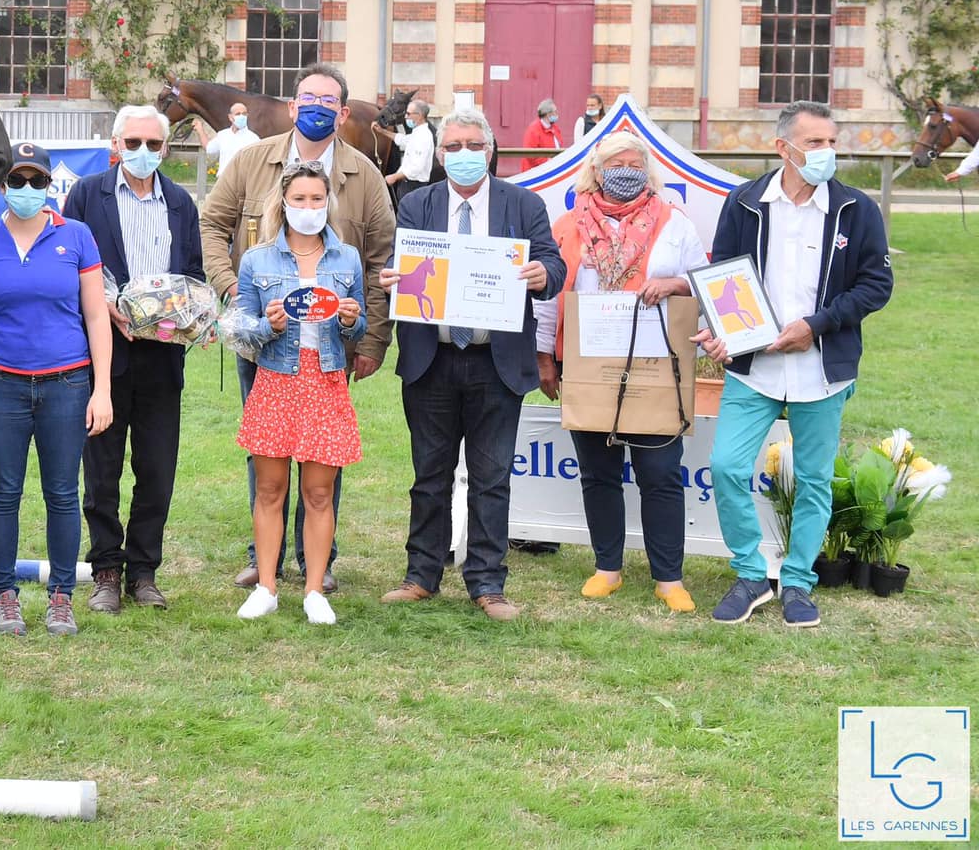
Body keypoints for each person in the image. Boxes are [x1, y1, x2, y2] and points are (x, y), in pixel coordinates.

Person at [200, 62, 394, 593]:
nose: (316, 107)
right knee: (266, 450)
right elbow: (213, 225)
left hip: (331, 348)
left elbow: (380, 260)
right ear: (291, 106)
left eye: (328, 101)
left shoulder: (364, 175)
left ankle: (319, 563)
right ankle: (263, 558)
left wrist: (372, 337)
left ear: (343, 111)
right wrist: (233, 290)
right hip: (264, 342)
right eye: (307, 98)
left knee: (324, 456)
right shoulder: (250, 161)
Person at [700, 101, 893, 630]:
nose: (826, 152)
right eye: (814, 143)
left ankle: (799, 582)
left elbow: (876, 285)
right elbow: (722, 278)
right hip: (753, 369)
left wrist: (817, 325)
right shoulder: (744, 203)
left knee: (812, 481)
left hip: (823, 369)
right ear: (783, 147)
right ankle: (750, 574)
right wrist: (720, 330)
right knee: (726, 467)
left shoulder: (857, 209)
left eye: (832, 141)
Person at [380, 106, 564, 620]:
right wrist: (393, 279)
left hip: (495, 362)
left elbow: (554, 262)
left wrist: (539, 274)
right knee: (429, 474)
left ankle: (487, 583)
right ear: (439, 154)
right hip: (430, 360)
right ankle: (422, 574)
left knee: (491, 477)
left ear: (490, 151)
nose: (464, 155)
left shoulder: (523, 203)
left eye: (473, 146)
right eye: (454, 147)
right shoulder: (417, 205)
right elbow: (402, 264)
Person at [534, 131, 712, 613]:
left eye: (636, 165)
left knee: (660, 472)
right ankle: (607, 568)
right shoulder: (569, 225)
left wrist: (674, 282)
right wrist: (545, 357)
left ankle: (669, 578)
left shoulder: (675, 224)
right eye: (617, 164)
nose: (626, 172)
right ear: (597, 170)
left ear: (648, 171)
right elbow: (552, 293)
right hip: (588, 364)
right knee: (598, 472)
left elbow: (705, 283)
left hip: (657, 369)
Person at [0, 142, 114, 639]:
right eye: (17, 181)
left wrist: (101, 388)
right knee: (3, 492)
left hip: (67, 383)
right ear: (2, 186)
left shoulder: (78, 237)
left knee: (62, 493)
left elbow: (95, 316)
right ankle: (4, 596)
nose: (26, 190)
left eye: (36, 181)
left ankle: (61, 597)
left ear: (50, 186)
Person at [61, 106, 204, 613]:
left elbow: (193, 273)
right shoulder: (86, 194)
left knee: (157, 467)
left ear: (165, 148)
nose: (144, 153)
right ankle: (105, 569)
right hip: (104, 354)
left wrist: (190, 316)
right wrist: (107, 307)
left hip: (163, 357)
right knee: (101, 467)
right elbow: (71, 259)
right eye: (134, 142)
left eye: (154, 144)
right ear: (116, 143)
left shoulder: (182, 202)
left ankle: (144, 571)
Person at [229, 161, 367, 625]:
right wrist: (268, 324)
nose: (309, 208)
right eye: (300, 199)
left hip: (326, 381)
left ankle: (313, 589)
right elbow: (242, 330)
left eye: (316, 199)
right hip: (275, 380)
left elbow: (360, 325)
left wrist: (350, 319)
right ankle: (266, 586)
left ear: (328, 202)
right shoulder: (257, 260)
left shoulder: (346, 258)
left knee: (319, 493)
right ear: (283, 203)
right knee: (268, 489)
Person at [386, 98, 435, 210]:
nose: (405, 117)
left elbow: (416, 168)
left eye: (408, 114)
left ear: (420, 115)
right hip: (407, 185)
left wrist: (394, 177)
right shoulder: (417, 133)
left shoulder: (424, 137)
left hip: (414, 186)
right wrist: (382, 131)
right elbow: (402, 140)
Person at [205, 102, 259, 178]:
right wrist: (200, 130)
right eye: (238, 114)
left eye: (244, 114)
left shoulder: (254, 139)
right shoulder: (223, 135)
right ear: (230, 117)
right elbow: (209, 149)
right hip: (223, 181)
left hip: (242, 183)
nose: (241, 116)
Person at [520, 97, 563, 171]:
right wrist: (548, 162)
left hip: (551, 168)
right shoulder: (533, 130)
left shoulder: (555, 128)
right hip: (535, 171)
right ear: (547, 114)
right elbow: (530, 154)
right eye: (555, 112)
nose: (557, 114)